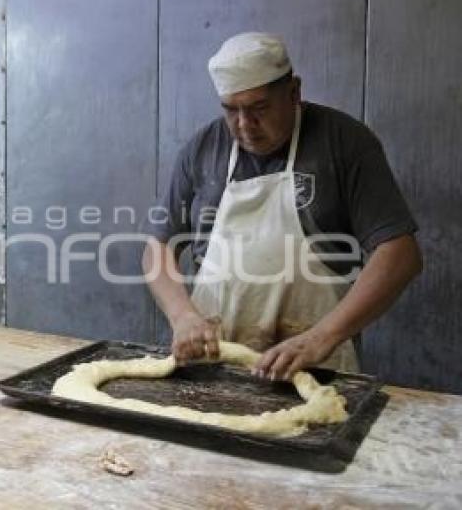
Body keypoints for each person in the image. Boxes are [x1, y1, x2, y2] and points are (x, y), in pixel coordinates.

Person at [142, 32, 422, 380]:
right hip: (213, 369)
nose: (244, 125)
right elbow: (158, 247)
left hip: (313, 368)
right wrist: (182, 315)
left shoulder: (344, 143)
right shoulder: (202, 149)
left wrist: (321, 338)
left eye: (259, 108)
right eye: (231, 110)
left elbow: (400, 254)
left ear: (294, 92)